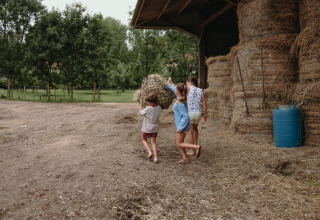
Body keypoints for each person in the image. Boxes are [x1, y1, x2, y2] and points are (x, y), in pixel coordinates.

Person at [167, 78, 201, 164]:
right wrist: (170, 84)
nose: (174, 90)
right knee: (177, 141)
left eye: (175, 89)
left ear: (178, 91)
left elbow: (185, 116)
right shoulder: (181, 98)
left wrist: (180, 128)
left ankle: (196, 147)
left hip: (183, 125)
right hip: (183, 124)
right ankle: (185, 158)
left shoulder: (180, 104)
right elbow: (174, 89)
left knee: (179, 143)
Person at [186, 76, 207, 156]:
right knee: (195, 128)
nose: (186, 83)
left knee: (190, 131)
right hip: (198, 113)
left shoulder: (187, 89)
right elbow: (204, 103)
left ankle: (192, 150)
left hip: (190, 112)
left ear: (190, 81)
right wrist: (205, 114)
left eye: (187, 82)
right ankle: (195, 146)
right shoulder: (201, 90)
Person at [139, 93, 162, 163]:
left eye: (148, 102)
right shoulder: (159, 107)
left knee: (143, 139)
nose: (148, 104)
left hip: (147, 128)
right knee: (153, 142)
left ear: (151, 103)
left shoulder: (148, 108)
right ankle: (156, 158)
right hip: (155, 128)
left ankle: (149, 152)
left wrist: (141, 105)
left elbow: (141, 112)